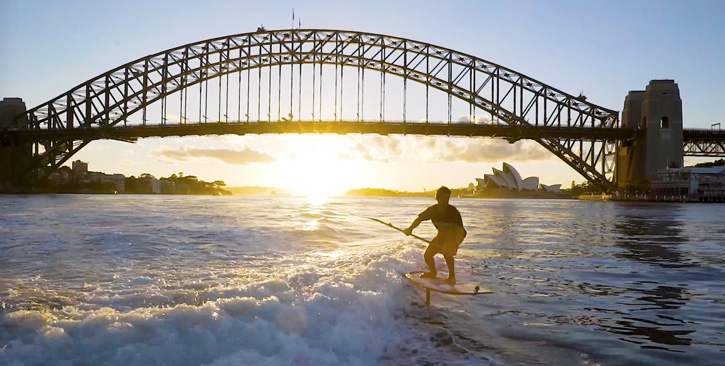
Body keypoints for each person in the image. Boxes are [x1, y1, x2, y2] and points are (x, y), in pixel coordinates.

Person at [403, 186, 466, 283]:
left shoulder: (453, 212)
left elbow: (460, 230)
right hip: (442, 235)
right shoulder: (432, 210)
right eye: (443, 198)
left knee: (447, 253)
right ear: (437, 198)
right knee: (427, 255)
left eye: (447, 199)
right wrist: (410, 229)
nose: (445, 201)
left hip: (457, 235)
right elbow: (419, 219)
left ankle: (452, 277)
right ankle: (433, 272)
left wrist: (453, 244)